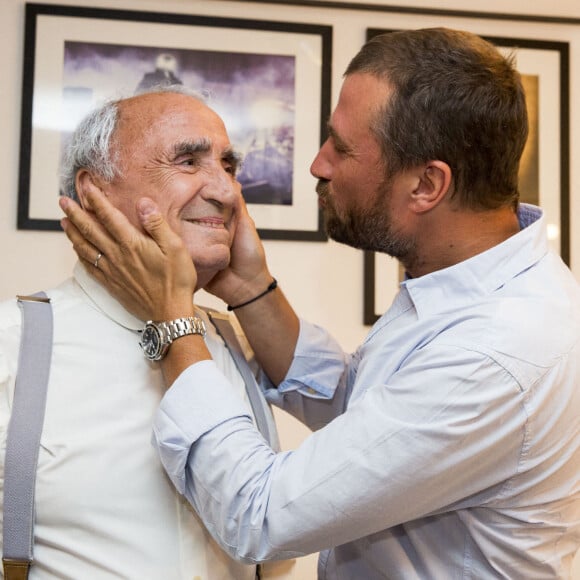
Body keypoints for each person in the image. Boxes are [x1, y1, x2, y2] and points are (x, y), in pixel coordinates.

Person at [60, 28, 580, 579]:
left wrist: (172, 321)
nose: (317, 164)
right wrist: (248, 289)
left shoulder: (499, 353)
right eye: (188, 162)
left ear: (427, 185)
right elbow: (370, 411)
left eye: (342, 147)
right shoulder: (469, 284)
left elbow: (258, 517)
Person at [0, 86, 289, 579]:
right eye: (188, 161)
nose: (227, 191)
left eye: (228, 165)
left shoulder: (241, 348)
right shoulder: (11, 343)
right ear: (93, 191)